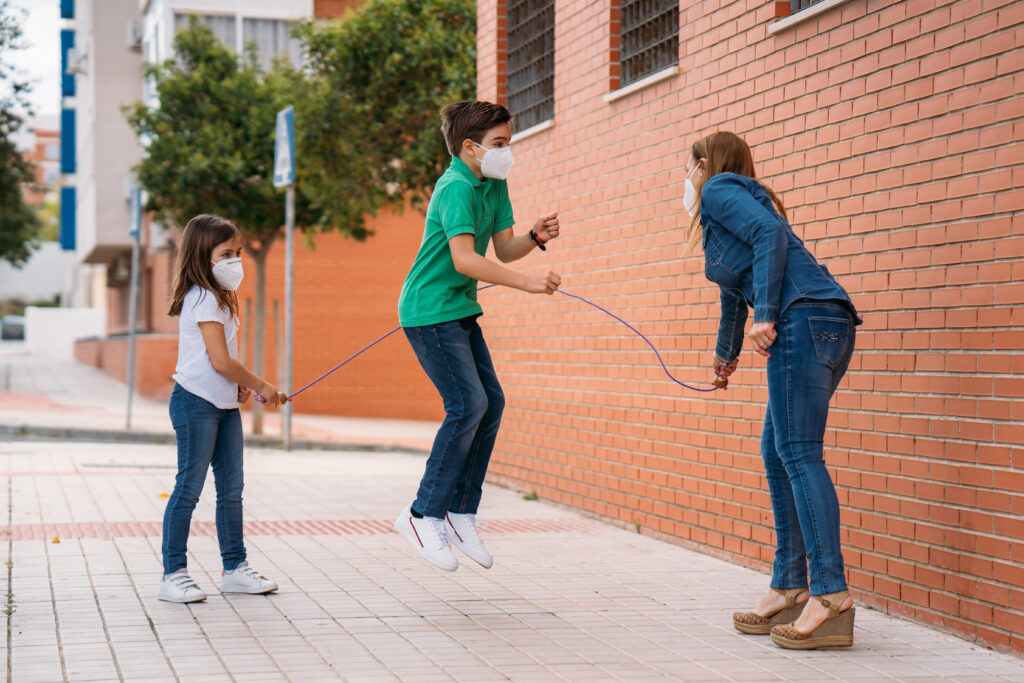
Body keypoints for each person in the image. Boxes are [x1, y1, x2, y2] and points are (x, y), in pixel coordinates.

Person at [684, 132, 861, 649]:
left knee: (799, 453)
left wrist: (765, 316)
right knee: (778, 449)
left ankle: (830, 595)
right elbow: (731, 295)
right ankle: (790, 585)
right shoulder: (733, 204)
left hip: (801, 319)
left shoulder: (719, 189)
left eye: (689, 168)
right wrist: (725, 359)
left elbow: (770, 238)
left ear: (702, 164)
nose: (688, 179)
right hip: (818, 320)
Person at [394, 101, 561, 571]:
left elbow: (505, 250)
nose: (507, 152)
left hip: (459, 309)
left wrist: (534, 236)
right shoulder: (454, 188)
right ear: (470, 147)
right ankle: (421, 514)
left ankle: (460, 510)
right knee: (467, 404)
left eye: (509, 142)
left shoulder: (493, 183)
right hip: (428, 311)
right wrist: (530, 283)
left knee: (492, 402)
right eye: (499, 144)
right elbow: (466, 259)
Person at [159, 214, 287, 603]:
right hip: (194, 403)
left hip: (222, 404)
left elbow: (222, 361)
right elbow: (219, 361)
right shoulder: (202, 297)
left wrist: (238, 387)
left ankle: (235, 569)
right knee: (189, 489)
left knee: (232, 491)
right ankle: (173, 574)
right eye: (226, 254)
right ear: (202, 255)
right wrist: (260, 383)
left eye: (238, 252)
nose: (236, 261)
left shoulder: (219, 297)